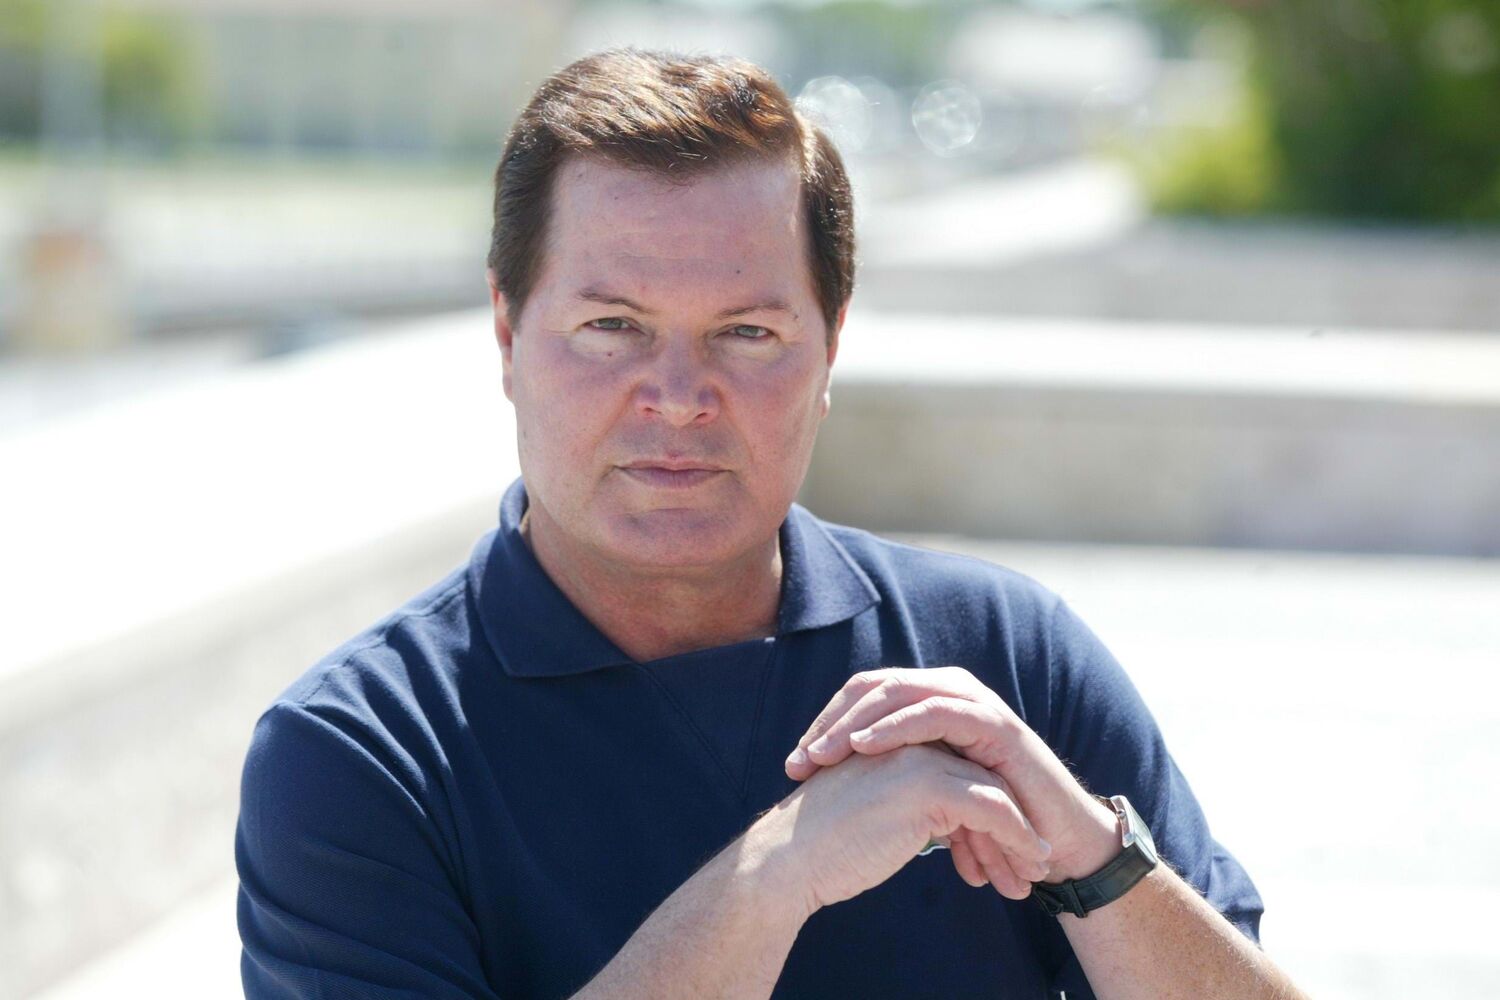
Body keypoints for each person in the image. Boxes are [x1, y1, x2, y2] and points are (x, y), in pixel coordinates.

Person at [236, 48, 1307, 1000]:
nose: (678, 396)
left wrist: (1099, 864)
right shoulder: (361, 752)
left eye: (746, 333)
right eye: (612, 326)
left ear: (830, 349)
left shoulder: (1003, 660)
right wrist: (774, 879)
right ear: (508, 336)